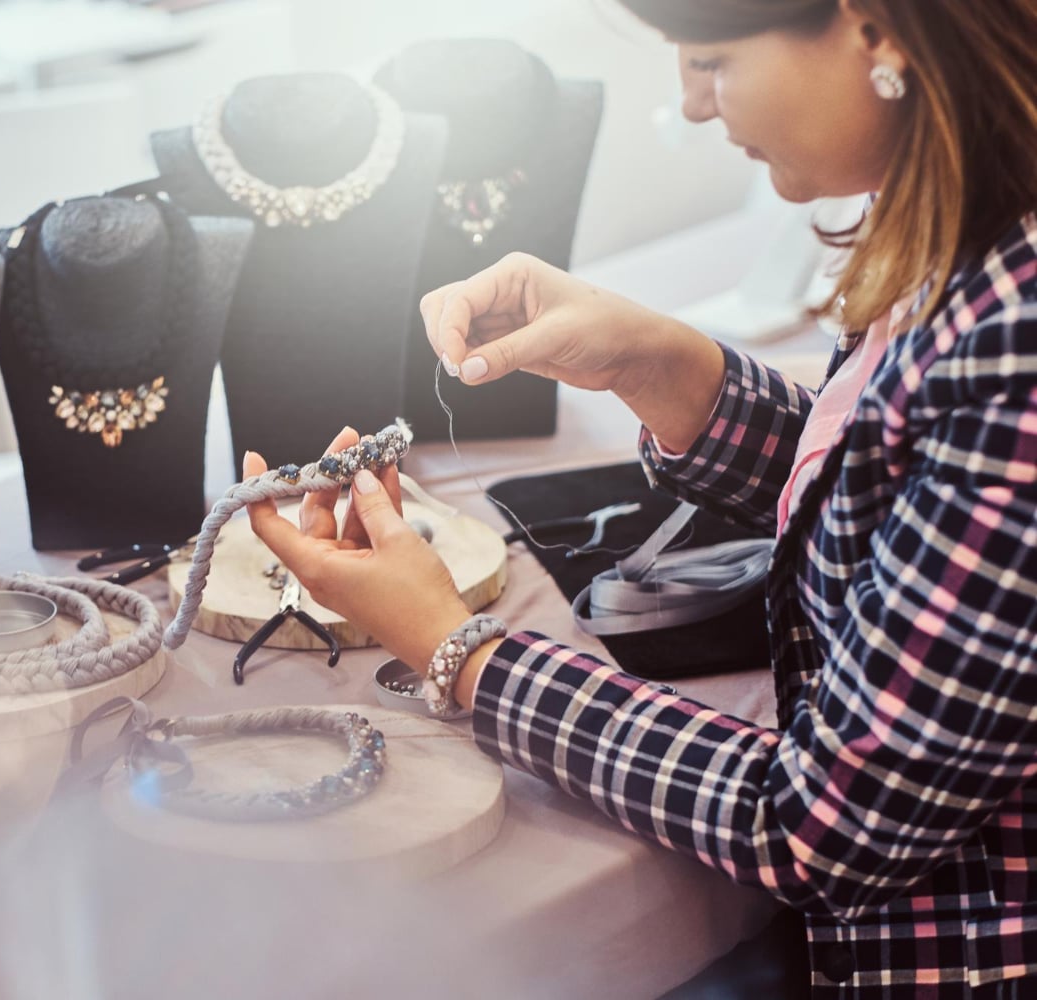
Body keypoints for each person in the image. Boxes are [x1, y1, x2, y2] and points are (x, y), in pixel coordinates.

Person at [242, 0, 1037, 996]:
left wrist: (460, 648)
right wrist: (670, 368)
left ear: (875, 29)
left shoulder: (1019, 357)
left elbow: (824, 830)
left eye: (710, 61)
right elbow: (908, 495)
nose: (694, 106)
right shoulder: (983, 232)